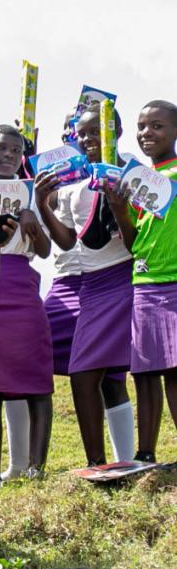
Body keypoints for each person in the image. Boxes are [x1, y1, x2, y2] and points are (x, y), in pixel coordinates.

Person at [38, 104, 137, 466]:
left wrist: (119, 206)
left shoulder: (130, 171)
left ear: (116, 131)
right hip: (87, 284)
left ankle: (123, 458)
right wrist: (42, 203)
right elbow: (66, 240)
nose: (88, 139)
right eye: (81, 133)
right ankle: (99, 463)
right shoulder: (71, 181)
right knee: (80, 370)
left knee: (97, 374)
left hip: (120, 276)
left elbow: (138, 239)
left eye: (96, 131)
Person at [0, 126, 54, 484]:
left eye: (16, 150)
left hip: (22, 291)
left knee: (36, 378)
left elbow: (45, 251)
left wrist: (32, 220)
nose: (8, 155)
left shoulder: (31, 193)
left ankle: (36, 467)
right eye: (0, 147)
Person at [114, 100, 177, 463]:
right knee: (145, 372)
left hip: (175, 283)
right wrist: (119, 209)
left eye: (157, 126)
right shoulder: (137, 183)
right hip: (145, 284)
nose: (146, 133)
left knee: (175, 372)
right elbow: (134, 242)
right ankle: (145, 453)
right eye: (141, 126)